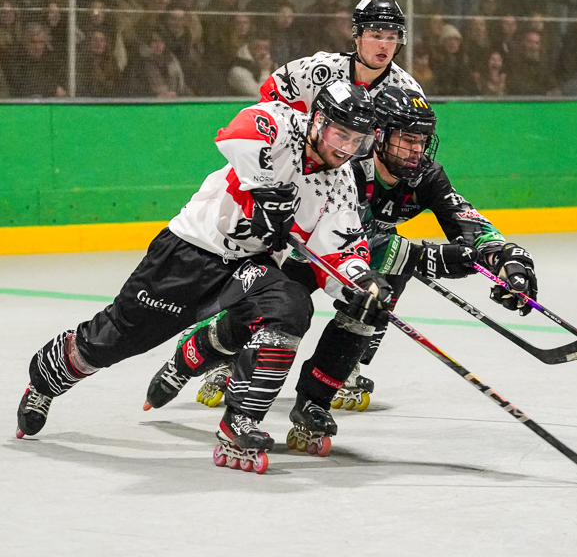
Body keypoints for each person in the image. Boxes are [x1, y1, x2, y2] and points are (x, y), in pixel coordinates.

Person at [17, 80, 392, 473]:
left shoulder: (343, 181)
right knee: (113, 341)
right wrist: (267, 189)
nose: (347, 148)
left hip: (247, 265)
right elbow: (240, 131)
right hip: (191, 251)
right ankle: (45, 377)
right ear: (318, 121)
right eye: (341, 134)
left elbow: (339, 245)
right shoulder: (287, 124)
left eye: (358, 140)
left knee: (291, 306)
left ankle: (239, 421)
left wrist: (361, 280)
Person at [145, 86, 539, 430]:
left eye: (422, 141)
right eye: (406, 140)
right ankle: (192, 355)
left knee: (373, 302)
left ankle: (316, 398)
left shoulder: (426, 177)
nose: (416, 151)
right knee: (255, 323)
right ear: (379, 135)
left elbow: (465, 220)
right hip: (300, 256)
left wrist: (507, 259)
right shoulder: (346, 165)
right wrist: (427, 257)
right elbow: (345, 235)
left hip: (354, 265)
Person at [260, 0, 422, 111]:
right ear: (357, 37)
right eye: (376, 36)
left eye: (391, 38)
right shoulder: (322, 69)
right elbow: (271, 98)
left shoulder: (406, 89)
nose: (384, 45)